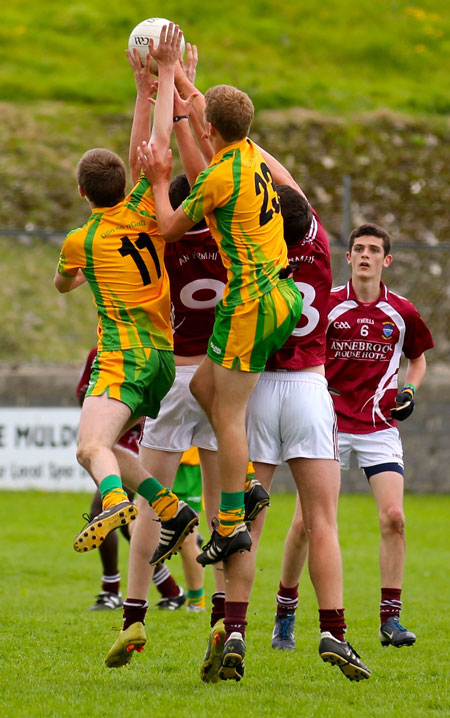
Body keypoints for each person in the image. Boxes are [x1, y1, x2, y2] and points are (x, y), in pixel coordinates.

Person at [137, 75, 303, 681]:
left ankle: (233, 513)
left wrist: (159, 180)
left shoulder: (216, 173)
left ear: (212, 130)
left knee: (226, 415)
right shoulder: (251, 156)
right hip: (276, 294)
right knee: (208, 391)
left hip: (250, 301)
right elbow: (207, 131)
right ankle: (245, 494)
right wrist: (180, 80)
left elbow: (170, 225)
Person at [54, 25, 197, 620]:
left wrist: (75, 274)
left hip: (123, 355)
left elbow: (64, 283)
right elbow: (154, 144)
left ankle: (115, 502)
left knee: (91, 448)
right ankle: (170, 509)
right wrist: (156, 83)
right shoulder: (143, 206)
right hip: (163, 360)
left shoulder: (80, 240)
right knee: (112, 443)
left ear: (83, 190)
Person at [273, 222, 434, 653]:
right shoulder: (327, 306)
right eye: (358, 249)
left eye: (373, 250)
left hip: (379, 425)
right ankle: (285, 611)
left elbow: (416, 360)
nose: (365, 255)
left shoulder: (402, 312)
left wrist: (410, 389)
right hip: (329, 422)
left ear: (387, 260)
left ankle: (391, 619)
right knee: (306, 523)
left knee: (394, 518)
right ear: (347, 258)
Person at [76, 347, 186, 611]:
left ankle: (110, 590)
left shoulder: (138, 351)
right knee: (128, 522)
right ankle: (170, 589)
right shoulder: (97, 354)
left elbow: (154, 404)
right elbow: (82, 394)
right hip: (113, 438)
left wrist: (120, 411)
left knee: (105, 508)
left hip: (139, 444)